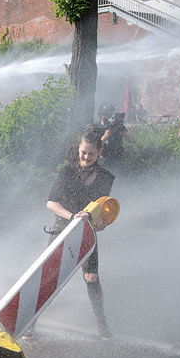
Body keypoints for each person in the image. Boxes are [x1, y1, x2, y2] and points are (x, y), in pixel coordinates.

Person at [44, 130, 115, 338]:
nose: (86, 157)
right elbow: (51, 203)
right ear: (78, 150)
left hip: (87, 228)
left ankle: (101, 323)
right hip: (62, 224)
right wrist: (72, 216)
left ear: (99, 153)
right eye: (83, 153)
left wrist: (101, 223)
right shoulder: (66, 172)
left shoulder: (105, 177)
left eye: (91, 154)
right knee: (47, 277)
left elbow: (101, 210)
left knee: (91, 277)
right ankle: (30, 322)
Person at [95, 103, 134, 172]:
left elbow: (132, 141)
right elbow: (95, 146)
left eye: (111, 114)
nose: (109, 117)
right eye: (106, 114)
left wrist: (122, 131)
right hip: (103, 159)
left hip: (118, 158)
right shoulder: (97, 128)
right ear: (100, 115)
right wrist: (106, 135)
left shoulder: (117, 126)